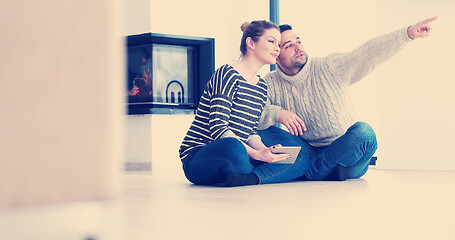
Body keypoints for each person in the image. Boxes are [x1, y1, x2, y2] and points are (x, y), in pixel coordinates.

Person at [258, 16, 438, 181]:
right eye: (288, 45)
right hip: (309, 149)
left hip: (346, 151)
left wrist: (407, 34)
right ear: (276, 56)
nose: (298, 47)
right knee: (258, 130)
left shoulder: (327, 66)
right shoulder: (271, 83)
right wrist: (277, 113)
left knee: (365, 132)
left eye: (299, 41)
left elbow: (368, 53)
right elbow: (251, 114)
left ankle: (312, 172)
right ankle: (322, 170)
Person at [179, 20, 312, 187]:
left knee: (301, 158)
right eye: (271, 41)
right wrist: (257, 155)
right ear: (251, 43)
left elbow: (249, 131)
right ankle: (262, 173)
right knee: (234, 148)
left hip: (240, 152)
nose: (277, 48)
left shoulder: (261, 86)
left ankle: (249, 177)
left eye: (278, 43)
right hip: (200, 156)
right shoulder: (227, 74)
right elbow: (218, 127)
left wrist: (265, 151)